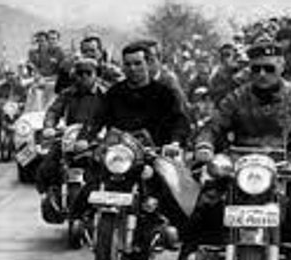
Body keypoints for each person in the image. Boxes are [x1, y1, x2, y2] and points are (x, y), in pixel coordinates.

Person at [173, 42, 291, 260]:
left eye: (269, 68)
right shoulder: (236, 97)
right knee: (208, 202)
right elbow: (214, 125)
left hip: (286, 166)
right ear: (250, 70)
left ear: (281, 66)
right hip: (240, 166)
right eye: (256, 69)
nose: (263, 74)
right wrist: (205, 145)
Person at [71, 42, 191, 234]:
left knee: (169, 190)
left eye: (137, 63)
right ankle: (80, 221)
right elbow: (96, 119)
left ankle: (171, 231)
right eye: (128, 64)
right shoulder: (114, 93)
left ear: (148, 63)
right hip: (119, 153)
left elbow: (180, 121)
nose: (132, 69)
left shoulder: (164, 94)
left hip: (151, 153)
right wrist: (85, 137)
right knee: (92, 180)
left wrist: (175, 142)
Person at [35, 58, 106, 217]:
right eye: (80, 73)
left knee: (108, 168)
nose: (84, 77)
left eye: (89, 73)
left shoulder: (104, 94)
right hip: (71, 137)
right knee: (46, 166)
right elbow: (54, 111)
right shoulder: (68, 93)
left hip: (96, 139)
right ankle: (52, 198)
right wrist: (48, 126)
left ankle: (105, 206)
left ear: (96, 75)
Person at [55, 35, 123, 93]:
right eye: (85, 51)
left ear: (100, 52)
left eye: (92, 50)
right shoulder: (74, 72)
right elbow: (59, 91)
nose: (89, 54)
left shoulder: (110, 71)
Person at [208, 43, 242, 108]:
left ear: (234, 56)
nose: (225, 59)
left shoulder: (239, 70)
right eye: (222, 55)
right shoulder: (216, 73)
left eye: (228, 55)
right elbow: (212, 91)